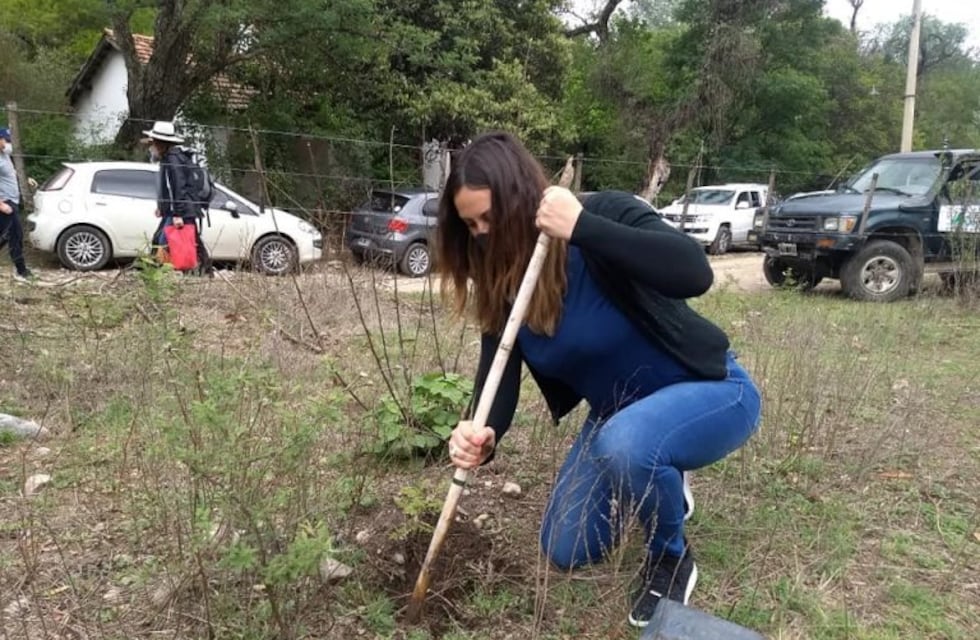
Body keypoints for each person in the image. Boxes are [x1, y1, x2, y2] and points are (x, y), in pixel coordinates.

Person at [438, 131, 761, 628]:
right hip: (621, 418)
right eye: (471, 225)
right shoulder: (506, 284)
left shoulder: (602, 214)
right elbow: (496, 385)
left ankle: (670, 555)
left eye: (490, 217)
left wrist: (583, 227)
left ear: (521, 197)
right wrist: (481, 435)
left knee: (627, 443)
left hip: (712, 390)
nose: (482, 233)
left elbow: (693, 273)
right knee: (565, 545)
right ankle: (663, 477)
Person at [143, 121, 213, 276]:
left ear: (160, 143)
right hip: (180, 209)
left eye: (152, 143)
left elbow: (177, 188)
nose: (150, 147)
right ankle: (203, 273)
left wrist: (177, 214)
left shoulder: (172, 160)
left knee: (163, 241)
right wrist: (162, 206)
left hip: (181, 210)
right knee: (190, 241)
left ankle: (158, 274)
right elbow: (170, 188)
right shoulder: (174, 158)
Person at [0, 126, 35, 283]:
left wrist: (25, 178)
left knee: (8, 236)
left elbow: (11, 172)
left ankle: (21, 270)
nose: (8, 143)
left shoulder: (5, 155)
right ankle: (22, 271)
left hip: (12, 201)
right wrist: (1, 205)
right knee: (15, 235)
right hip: (5, 203)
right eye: (5, 140)